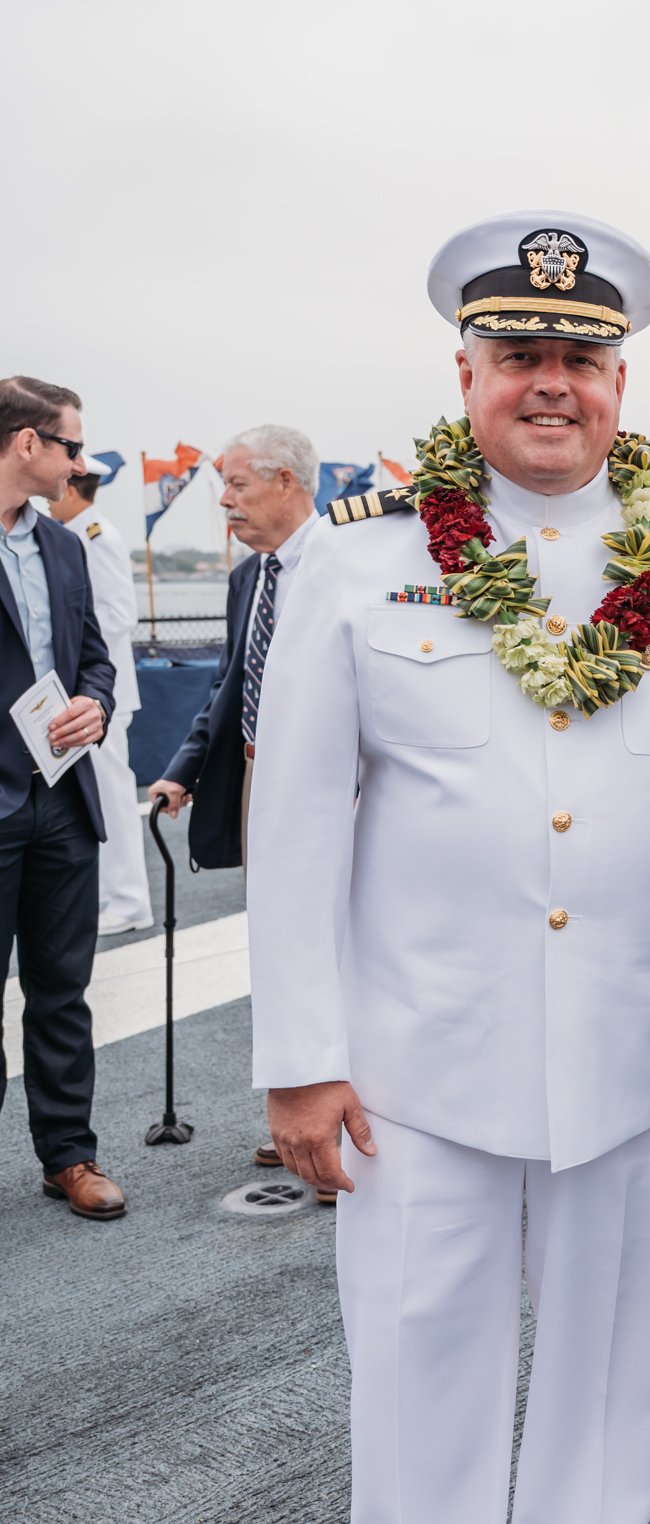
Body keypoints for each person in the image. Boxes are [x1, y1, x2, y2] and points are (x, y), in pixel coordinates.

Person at [245, 211, 650, 1524]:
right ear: (466, 371)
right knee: (415, 1372)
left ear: (618, 380)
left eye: (582, 359)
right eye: (522, 357)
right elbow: (299, 819)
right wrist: (298, 1055)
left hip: (632, 1051)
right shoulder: (358, 557)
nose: (553, 384)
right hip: (419, 1063)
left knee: (615, 1362)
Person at [147, 425, 321, 1182]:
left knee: (344, 949)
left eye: (237, 485)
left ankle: (353, 1128)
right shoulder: (249, 575)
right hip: (257, 780)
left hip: (328, 786)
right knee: (280, 949)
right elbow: (228, 683)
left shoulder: (345, 567)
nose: (223, 501)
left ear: (287, 482)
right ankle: (302, 1106)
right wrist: (185, 767)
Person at [0, 376, 125, 1221]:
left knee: (62, 991)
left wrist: (97, 705)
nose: (81, 463)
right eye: (73, 446)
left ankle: (69, 1157)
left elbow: (96, 660)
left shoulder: (66, 546)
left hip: (61, 798)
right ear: (28, 444)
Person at [50, 455, 151, 934]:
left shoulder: (96, 537)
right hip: (88, 696)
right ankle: (112, 896)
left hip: (101, 696)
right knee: (96, 798)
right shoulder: (76, 534)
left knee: (111, 796)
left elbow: (116, 616)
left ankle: (129, 902)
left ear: (71, 487)